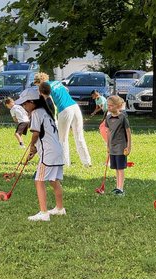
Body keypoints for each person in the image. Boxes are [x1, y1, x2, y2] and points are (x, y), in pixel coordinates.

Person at [21, 88, 65, 222]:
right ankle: (59, 208)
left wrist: (32, 146)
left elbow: (35, 133)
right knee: (53, 180)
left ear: (32, 102)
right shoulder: (46, 112)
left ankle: (44, 213)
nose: (23, 107)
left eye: (24, 104)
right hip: (57, 151)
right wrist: (35, 149)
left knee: (39, 181)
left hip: (49, 154)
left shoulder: (36, 113)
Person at [33, 72, 91, 167]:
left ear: (39, 82)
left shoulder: (45, 88)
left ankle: (64, 163)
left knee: (62, 138)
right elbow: (66, 91)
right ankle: (87, 162)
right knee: (79, 136)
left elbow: (51, 105)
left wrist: (53, 119)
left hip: (64, 109)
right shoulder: (57, 82)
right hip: (74, 106)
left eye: (37, 85)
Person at [105, 95, 132, 196]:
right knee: (116, 168)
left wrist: (128, 146)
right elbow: (108, 132)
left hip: (121, 147)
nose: (109, 107)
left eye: (111, 106)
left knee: (120, 168)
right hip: (112, 146)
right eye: (108, 105)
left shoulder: (123, 118)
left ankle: (121, 189)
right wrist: (108, 145)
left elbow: (128, 132)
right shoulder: (108, 118)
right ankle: (117, 187)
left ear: (118, 106)